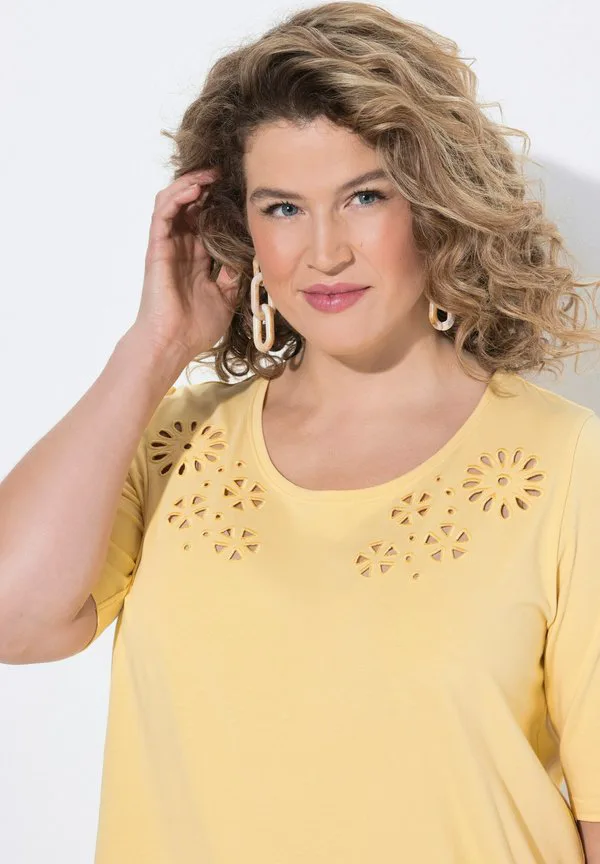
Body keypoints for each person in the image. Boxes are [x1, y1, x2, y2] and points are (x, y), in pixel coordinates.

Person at [1, 2, 600, 861]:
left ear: (436, 205)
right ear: (240, 227)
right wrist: (153, 348)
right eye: (283, 208)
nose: (324, 252)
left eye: (364, 197)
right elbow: (13, 619)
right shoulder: (175, 442)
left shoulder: (566, 463)